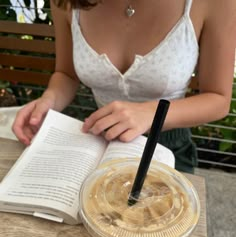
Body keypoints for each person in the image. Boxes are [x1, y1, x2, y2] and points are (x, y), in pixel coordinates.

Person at [12, 0, 236, 173]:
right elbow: (66, 74)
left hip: (167, 146)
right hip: (98, 140)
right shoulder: (68, 2)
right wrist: (49, 100)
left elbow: (218, 98)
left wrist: (150, 113)